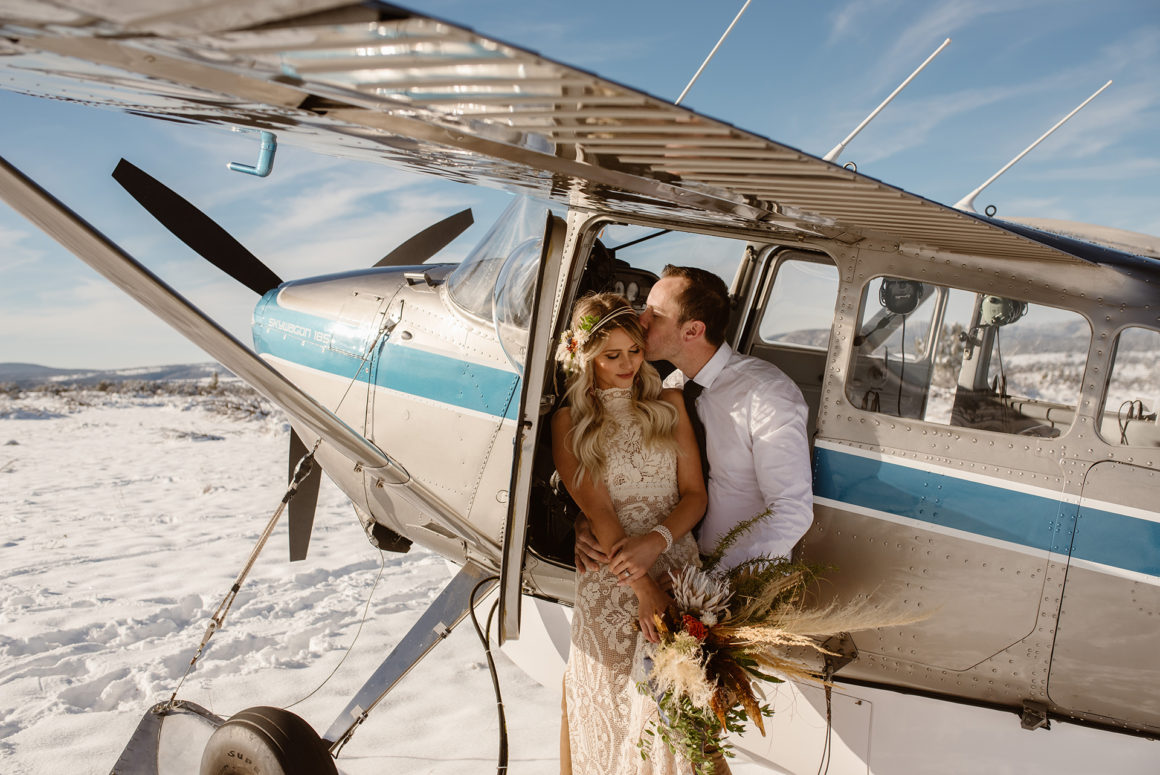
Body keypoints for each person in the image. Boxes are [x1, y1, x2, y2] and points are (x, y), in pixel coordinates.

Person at [552, 292, 706, 775]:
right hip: (612, 585)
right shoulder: (569, 421)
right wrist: (641, 589)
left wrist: (656, 544)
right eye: (610, 355)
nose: (627, 365)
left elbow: (695, 496)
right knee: (613, 717)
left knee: (675, 723)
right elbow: (597, 509)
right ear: (585, 357)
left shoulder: (672, 404)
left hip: (676, 570)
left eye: (634, 351)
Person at [577, 264, 813, 577]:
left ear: (692, 331)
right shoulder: (669, 389)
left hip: (739, 579)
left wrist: (710, 581)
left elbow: (791, 511)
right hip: (672, 568)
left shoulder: (767, 394)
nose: (640, 321)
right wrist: (586, 522)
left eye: (655, 314)